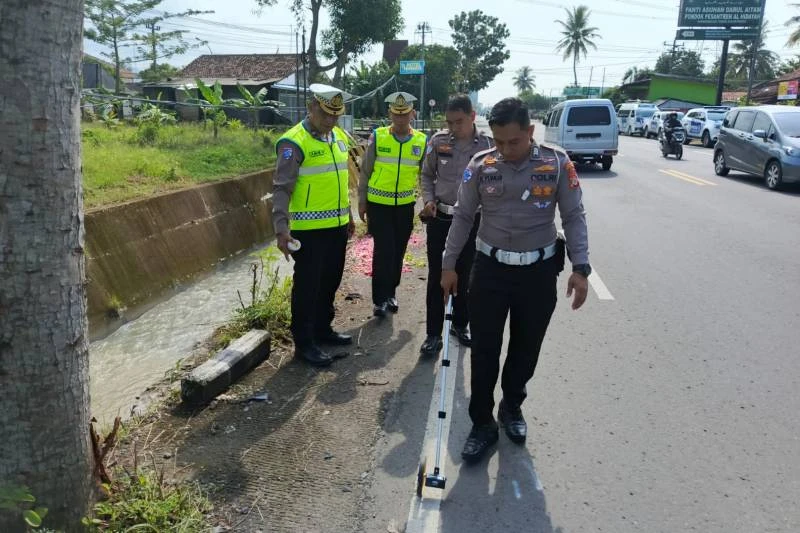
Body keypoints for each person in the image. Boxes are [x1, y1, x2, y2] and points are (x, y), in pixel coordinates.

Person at [441, 97, 591, 463]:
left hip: (538, 274)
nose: (505, 149)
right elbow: (463, 216)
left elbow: (573, 216)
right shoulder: (481, 165)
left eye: (514, 141)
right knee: (484, 351)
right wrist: (448, 264)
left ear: (530, 131)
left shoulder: (557, 164)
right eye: (498, 142)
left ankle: (511, 406)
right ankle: (482, 423)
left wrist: (581, 267)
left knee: (526, 349)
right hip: (490, 271)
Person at [272, 83, 356, 367]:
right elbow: (281, 188)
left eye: (336, 115)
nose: (331, 120)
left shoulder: (338, 137)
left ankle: (323, 329)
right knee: (308, 287)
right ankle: (304, 343)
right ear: (311, 108)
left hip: (337, 226)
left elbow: (340, 181)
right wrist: (281, 228)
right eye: (325, 114)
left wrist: (349, 216)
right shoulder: (293, 142)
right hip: (309, 231)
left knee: (330, 280)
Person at [418, 94, 493, 357]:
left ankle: (461, 324)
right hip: (441, 218)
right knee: (437, 276)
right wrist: (428, 200)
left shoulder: (488, 147)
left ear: (472, 116)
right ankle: (433, 334)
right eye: (449, 122)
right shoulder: (438, 142)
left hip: (474, 221)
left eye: (458, 121)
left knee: (467, 273)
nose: (453, 127)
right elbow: (426, 175)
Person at [358, 92, 427, 317]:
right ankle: (379, 300)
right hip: (379, 205)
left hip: (405, 206)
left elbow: (425, 175)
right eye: (396, 115)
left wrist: (427, 202)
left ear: (412, 114)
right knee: (383, 251)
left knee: (398, 252)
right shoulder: (378, 137)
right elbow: (365, 171)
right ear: (390, 114)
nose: (400, 119)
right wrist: (362, 201)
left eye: (404, 114)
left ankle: (391, 293)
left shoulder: (421, 140)